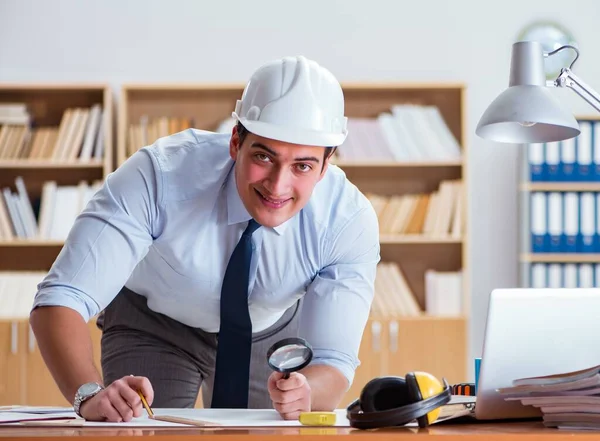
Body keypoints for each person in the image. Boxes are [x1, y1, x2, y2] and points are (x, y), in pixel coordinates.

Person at [29, 55, 380, 422]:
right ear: (235, 142)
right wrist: (89, 394)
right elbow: (61, 298)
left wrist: (308, 392)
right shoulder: (159, 176)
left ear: (326, 166)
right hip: (154, 322)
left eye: (303, 166)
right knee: (134, 429)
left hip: (269, 330)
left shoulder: (346, 220)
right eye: (263, 156)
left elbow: (333, 361)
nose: (278, 185)